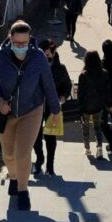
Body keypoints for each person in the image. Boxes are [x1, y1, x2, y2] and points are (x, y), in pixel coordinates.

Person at [0, 20, 61, 211]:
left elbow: (48, 85)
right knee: (8, 154)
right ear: (10, 38)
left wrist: (56, 111)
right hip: (6, 113)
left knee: (22, 152)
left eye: (24, 43)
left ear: (29, 40)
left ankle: (23, 191)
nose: (21, 47)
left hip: (32, 110)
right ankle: (14, 178)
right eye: (17, 44)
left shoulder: (38, 57)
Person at [33, 40, 73, 176]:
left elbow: (67, 85)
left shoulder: (60, 68)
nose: (46, 56)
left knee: (50, 136)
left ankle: (50, 165)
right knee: (35, 136)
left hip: (52, 107)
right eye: (43, 54)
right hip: (36, 106)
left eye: (48, 54)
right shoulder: (34, 66)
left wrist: (62, 97)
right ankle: (39, 160)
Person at [78, 50, 110, 159]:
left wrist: (80, 108)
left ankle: (87, 149)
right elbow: (107, 91)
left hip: (86, 106)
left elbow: (80, 93)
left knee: (85, 127)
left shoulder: (83, 75)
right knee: (97, 127)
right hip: (99, 105)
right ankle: (99, 148)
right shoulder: (104, 73)